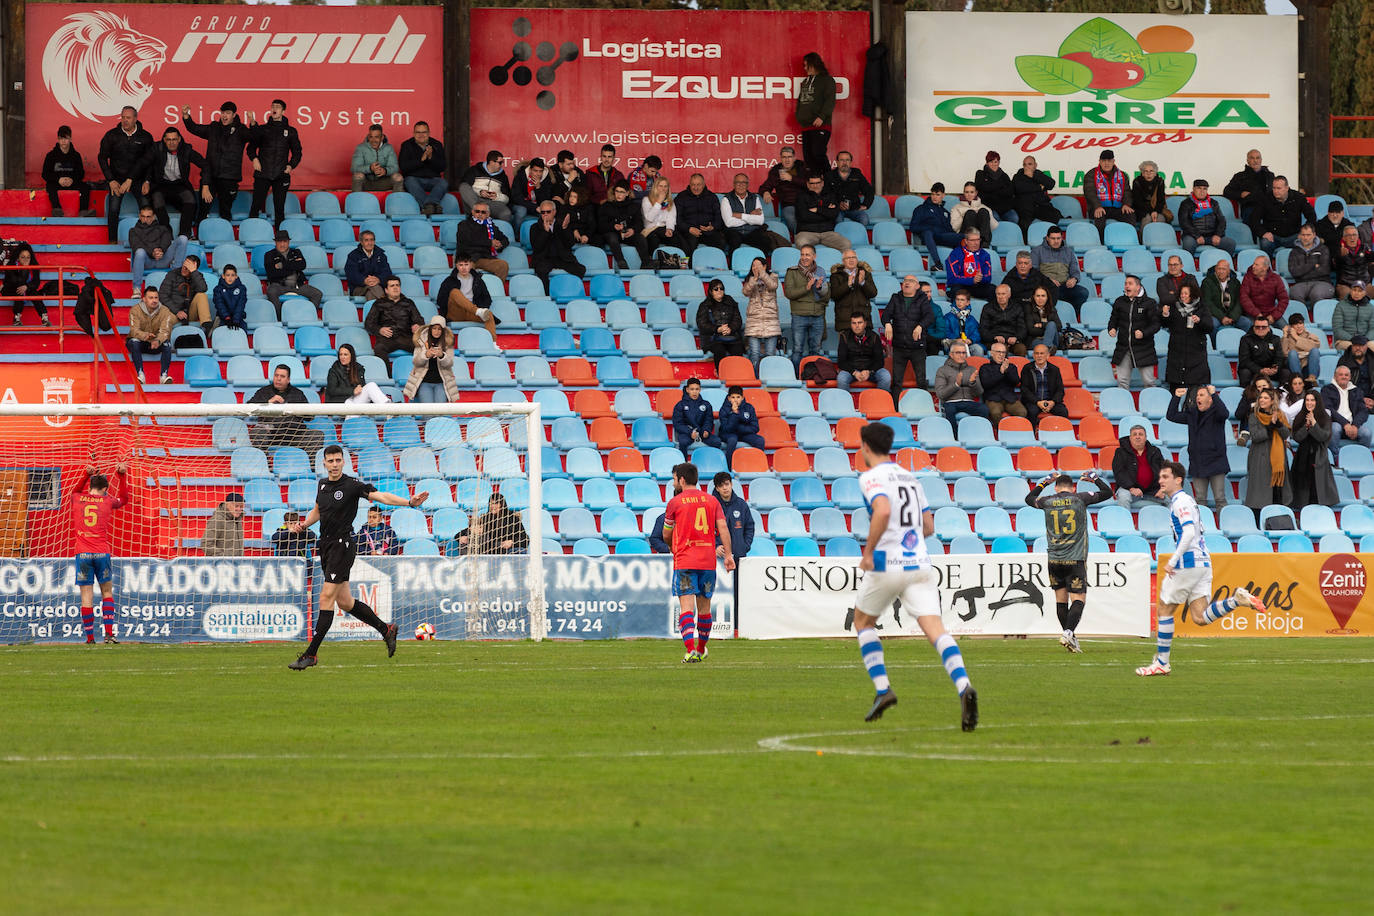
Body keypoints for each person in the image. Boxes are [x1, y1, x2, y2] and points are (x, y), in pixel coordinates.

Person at [851, 422, 977, 728]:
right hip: (919, 561)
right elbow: (929, 527)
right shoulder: (911, 478)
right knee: (935, 629)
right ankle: (964, 686)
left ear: (866, 448)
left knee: (863, 622)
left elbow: (881, 511)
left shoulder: (870, 478)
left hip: (887, 562)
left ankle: (883, 689)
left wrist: (868, 552)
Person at [287, 445, 428, 670]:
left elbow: (380, 496)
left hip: (342, 546)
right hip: (325, 546)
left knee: (325, 598)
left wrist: (409, 503)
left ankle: (310, 654)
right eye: (330, 461)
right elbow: (318, 510)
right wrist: (303, 524)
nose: (334, 464)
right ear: (324, 463)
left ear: (344, 462)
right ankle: (386, 629)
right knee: (344, 601)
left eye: (337, 460)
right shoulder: (322, 485)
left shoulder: (352, 485)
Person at [1135, 462, 1266, 677]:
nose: (1161, 480)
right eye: (1160, 477)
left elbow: (1187, 533)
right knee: (1200, 617)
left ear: (1178, 480)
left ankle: (1161, 662)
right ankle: (1236, 600)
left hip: (1188, 562)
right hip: (1203, 562)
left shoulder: (1181, 502)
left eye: (1165, 476)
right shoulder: (1187, 501)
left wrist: (1173, 560)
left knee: (1164, 610)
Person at [1025, 472, 1114, 653]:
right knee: (1078, 599)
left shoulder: (1047, 501)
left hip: (1054, 559)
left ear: (1056, 487)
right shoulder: (1080, 498)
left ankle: (1070, 636)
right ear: (1073, 487)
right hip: (1075, 557)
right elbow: (1107, 492)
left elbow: (1029, 498)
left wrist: (1044, 482)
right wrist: (1094, 477)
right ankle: (1068, 632)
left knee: (1060, 600)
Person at [661, 462, 735, 663]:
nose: (675, 482)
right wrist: (728, 556)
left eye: (676, 479)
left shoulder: (675, 502)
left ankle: (690, 649)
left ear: (682, 480)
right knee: (704, 608)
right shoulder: (712, 501)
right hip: (707, 561)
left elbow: (666, 533)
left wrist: (670, 544)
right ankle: (701, 649)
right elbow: (724, 529)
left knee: (686, 607)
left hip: (685, 560)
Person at [70, 462, 128, 644]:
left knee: (87, 596)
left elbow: (74, 491)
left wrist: (85, 475)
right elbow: (124, 499)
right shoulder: (108, 501)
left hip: (83, 554)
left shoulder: (78, 499)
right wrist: (122, 476)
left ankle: (90, 639)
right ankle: (109, 635)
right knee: (107, 592)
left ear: (90, 487)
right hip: (102, 553)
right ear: (104, 488)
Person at [182, 101, 251, 221]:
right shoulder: (213, 128)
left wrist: (253, 123)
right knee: (203, 210)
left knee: (225, 212)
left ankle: (225, 238)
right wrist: (186, 116)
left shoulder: (241, 130)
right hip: (211, 178)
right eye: (223, 112)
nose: (224, 116)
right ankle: (200, 237)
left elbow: (255, 137)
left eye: (228, 113)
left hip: (229, 179)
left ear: (234, 115)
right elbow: (194, 128)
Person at [1167, 385, 1230, 510]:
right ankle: (1201, 527)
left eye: (1201, 395)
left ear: (1210, 399)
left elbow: (1225, 413)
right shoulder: (1192, 414)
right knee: (1200, 499)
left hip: (1216, 461)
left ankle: (1223, 524)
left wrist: (1214, 394)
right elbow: (1171, 416)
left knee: (1220, 498)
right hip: (1198, 462)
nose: (1197, 398)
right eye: (1197, 396)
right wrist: (1176, 397)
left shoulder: (1217, 413)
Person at [98, 106, 154, 243]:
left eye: (128, 118)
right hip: (117, 180)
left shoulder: (146, 137)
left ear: (135, 119)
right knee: (113, 208)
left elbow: (150, 162)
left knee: (146, 207)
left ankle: (148, 240)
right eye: (123, 117)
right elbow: (102, 158)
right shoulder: (111, 135)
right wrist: (110, 180)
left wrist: (147, 181)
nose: (125, 121)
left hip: (138, 179)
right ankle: (112, 241)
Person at [246, 99, 302, 229]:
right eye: (272, 106)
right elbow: (251, 147)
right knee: (256, 205)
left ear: (283, 111)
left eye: (277, 107)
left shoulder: (291, 131)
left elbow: (297, 152)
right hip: (263, 173)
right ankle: (251, 231)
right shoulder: (263, 129)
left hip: (281, 174)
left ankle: (279, 236)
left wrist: (291, 165)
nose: (274, 109)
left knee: (279, 207)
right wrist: (254, 159)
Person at [140, 127, 206, 237]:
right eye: (169, 140)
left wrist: (206, 184)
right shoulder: (157, 148)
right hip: (161, 185)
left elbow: (205, 164)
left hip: (179, 185)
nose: (171, 143)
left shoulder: (186, 149)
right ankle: (166, 233)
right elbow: (145, 164)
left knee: (190, 200)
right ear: (164, 140)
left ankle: (184, 234)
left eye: (174, 139)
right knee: (157, 201)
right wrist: (146, 181)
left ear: (179, 139)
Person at [881, 274, 940, 396]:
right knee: (896, 382)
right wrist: (887, 323)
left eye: (911, 281)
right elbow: (886, 314)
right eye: (905, 281)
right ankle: (895, 408)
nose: (906, 283)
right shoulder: (895, 298)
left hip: (917, 346)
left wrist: (920, 326)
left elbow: (929, 316)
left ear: (917, 286)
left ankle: (924, 406)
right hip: (899, 346)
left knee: (921, 381)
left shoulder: (922, 299)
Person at [247, 365, 326, 455]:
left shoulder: (297, 393)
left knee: (317, 435)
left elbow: (310, 417)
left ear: (288, 379)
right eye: (276, 375)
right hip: (270, 435)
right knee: (257, 433)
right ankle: (265, 466)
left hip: (295, 435)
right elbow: (249, 408)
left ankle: (311, 468)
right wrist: (268, 402)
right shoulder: (264, 391)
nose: (278, 379)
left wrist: (293, 409)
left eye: (282, 376)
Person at [1107, 275, 1160, 388]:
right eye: (1126, 283)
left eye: (1130, 283)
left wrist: (1143, 333)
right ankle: (1122, 405)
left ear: (1138, 286)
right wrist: (1111, 328)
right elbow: (1113, 318)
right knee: (1122, 382)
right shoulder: (1119, 301)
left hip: (1144, 348)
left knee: (1149, 382)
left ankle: (1151, 405)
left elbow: (1156, 325)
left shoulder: (1149, 303)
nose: (1127, 286)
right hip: (1123, 348)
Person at [712, 472, 753, 616]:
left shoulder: (741, 504)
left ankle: (737, 625)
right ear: (716, 488)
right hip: (716, 559)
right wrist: (714, 547)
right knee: (717, 592)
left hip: (738, 557)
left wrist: (744, 545)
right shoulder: (710, 505)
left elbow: (750, 527)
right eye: (721, 486)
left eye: (727, 484)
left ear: (731, 484)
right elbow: (705, 530)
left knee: (738, 591)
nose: (725, 488)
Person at [1290, 392, 1338, 512]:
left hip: (1318, 457)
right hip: (1302, 458)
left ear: (1317, 402)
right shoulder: (1300, 416)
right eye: (1307, 400)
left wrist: (1314, 424)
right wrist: (1306, 427)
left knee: (1317, 491)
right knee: (1302, 493)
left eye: (1312, 400)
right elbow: (1297, 437)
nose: (1309, 403)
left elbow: (1323, 436)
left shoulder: (1325, 418)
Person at [128, 205, 188, 300]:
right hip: (147, 261)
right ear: (139, 216)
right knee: (139, 252)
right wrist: (152, 252)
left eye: (148, 217)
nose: (145, 219)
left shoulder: (162, 229)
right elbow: (136, 245)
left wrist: (161, 250)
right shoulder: (133, 231)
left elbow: (167, 241)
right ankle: (137, 289)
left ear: (153, 217)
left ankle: (176, 276)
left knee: (183, 239)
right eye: (143, 216)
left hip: (163, 259)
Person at [784, 245, 829, 370]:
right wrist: (807, 288)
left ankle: (813, 376)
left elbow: (826, 295)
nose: (804, 257)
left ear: (814, 256)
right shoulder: (792, 272)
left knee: (816, 349)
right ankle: (796, 378)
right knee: (797, 349)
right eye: (802, 254)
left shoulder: (820, 271)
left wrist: (820, 288)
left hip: (817, 315)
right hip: (799, 315)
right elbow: (789, 293)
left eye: (807, 255)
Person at [433, 254, 498, 341]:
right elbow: (440, 300)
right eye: (461, 265)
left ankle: (493, 343)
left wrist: (480, 307)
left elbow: (487, 299)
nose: (464, 268)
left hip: (472, 313)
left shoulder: (478, 280)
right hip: (456, 312)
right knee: (454, 292)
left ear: (471, 265)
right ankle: (478, 311)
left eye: (466, 264)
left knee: (488, 314)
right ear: (456, 266)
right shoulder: (449, 281)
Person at [1161, 280, 1212, 390]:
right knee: (1176, 388)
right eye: (1181, 293)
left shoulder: (1202, 307)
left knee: (1195, 390)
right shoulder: (1174, 307)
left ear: (1192, 295)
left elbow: (1209, 327)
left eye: (1186, 293)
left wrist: (1199, 321)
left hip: (1196, 353)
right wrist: (1165, 314)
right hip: (1177, 351)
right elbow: (1165, 324)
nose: (1182, 296)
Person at [1245, 388, 1291, 511]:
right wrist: (1270, 426)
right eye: (1260, 397)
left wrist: (1278, 424)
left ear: (1272, 401)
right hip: (1260, 457)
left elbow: (1286, 433)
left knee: (1277, 491)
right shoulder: (1254, 416)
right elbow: (1256, 436)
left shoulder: (1280, 414)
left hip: (1277, 458)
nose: (1262, 400)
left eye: (1266, 398)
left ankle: (1277, 518)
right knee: (1260, 493)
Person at [722, 174, 789, 256]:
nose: (741, 185)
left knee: (764, 241)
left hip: (752, 231)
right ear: (734, 184)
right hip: (734, 231)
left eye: (744, 183)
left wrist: (741, 216)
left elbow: (760, 221)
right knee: (734, 241)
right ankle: (732, 266)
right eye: (738, 182)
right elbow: (729, 223)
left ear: (747, 185)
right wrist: (750, 216)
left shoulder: (754, 198)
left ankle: (762, 266)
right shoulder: (726, 199)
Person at [1250, 175, 1316, 256]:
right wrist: (1263, 233)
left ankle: (1303, 266)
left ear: (1287, 188)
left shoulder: (1299, 198)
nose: (1276, 191)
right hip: (1273, 236)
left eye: (1279, 188)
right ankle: (1268, 266)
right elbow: (1254, 219)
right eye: (1274, 188)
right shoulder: (1265, 199)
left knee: (1307, 241)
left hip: (1294, 235)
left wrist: (1304, 232)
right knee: (1265, 243)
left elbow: (1312, 216)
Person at [530, 200, 585, 292]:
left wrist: (565, 229)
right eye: (543, 212)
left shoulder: (562, 224)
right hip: (544, 258)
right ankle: (547, 295)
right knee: (541, 270)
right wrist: (545, 232)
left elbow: (570, 243)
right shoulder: (534, 227)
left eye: (548, 212)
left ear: (554, 212)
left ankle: (570, 291)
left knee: (580, 269)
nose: (545, 214)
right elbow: (536, 248)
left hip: (562, 257)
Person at [795, 52, 836, 175]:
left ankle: (830, 182)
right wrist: (799, 116)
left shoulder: (827, 80)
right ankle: (815, 184)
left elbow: (830, 100)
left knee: (818, 153)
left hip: (821, 125)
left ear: (813, 65)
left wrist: (821, 117)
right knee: (809, 158)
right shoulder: (805, 82)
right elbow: (800, 100)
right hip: (806, 126)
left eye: (806, 65)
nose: (804, 68)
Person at [264, 230, 323, 316]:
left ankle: (308, 316)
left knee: (317, 294)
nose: (282, 244)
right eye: (280, 241)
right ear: (275, 242)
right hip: (279, 285)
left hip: (298, 285)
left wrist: (282, 265)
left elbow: (302, 265)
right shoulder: (269, 255)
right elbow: (272, 273)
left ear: (289, 242)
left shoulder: (296, 252)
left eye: (285, 241)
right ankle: (280, 318)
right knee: (271, 292)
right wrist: (293, 267)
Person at [1030, 225, 1089, 310]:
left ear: (1062, 238)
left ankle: (1072, 316)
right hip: (1045, 287)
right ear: (1047, 238)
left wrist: (1074, 279)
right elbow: (1033, 272)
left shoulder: (1068, 252)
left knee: (1083, 292)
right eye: (1053, 238)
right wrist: (1048, 280)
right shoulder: (1037, 251)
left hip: (1064, 287)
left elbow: (1075, 271)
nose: (1056, 241)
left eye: (1058, 238)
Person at [365, 277, 424, 360]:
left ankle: (420, 373)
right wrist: (379, 330)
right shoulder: (379, 303)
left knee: (424, 348)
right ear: (386, 290)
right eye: (392, 286)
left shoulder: (408, 303)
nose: (395, 288)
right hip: (387, 338)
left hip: (406, 337)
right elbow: (369, 323)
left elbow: (419, 319)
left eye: (397, 285)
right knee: (379, 348)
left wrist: (417, 325)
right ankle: (386, 373)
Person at [125, 287, 175, 384]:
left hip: (156, 343)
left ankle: (163, 376)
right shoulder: (135, 310)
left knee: (167, 344)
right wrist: (145, 336)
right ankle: (140, 375)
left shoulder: (165, 311)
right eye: (151, 298)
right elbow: (134, 330)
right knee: (134, 341)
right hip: (140, 342)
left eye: (156, 298)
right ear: (144, 299)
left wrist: (158, 340)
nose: (154, 300)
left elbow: (166, 331)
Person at [404, 316, 459, 403]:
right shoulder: (421, 340)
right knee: (427, 413)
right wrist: (425, 355)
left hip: (442, 382)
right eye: (434, 328)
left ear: (443, 330)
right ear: (430, 329)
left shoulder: (448, 342)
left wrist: (442, 356)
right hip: (424, 381)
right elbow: (416, 362)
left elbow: (449, 364)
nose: (436, 331)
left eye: (439, 329)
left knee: (440, 412)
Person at [42, 125, 94, 217]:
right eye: (61, 138)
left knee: (85, 187)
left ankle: (83, 211)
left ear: (70, 139)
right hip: (57, 183)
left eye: (66, 138)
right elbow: (45, 174)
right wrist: (58, 179)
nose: (63, 141)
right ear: (58, 139)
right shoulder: (51, 155)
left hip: (72, 183)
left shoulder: (76, 155)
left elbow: (81, 174)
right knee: (50, 186)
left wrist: (72, 180)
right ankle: (57, 209)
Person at [397, 121, 447, 215]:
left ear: (428, 133)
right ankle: (432, 206)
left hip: (433, 180)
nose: (421, 135)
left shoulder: (437, 144)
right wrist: (421, 160)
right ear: (413, 133)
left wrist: (431, 158)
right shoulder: (406, 145)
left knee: (443, 182)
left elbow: (442, 167)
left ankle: (427, 206)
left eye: (424, 132)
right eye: (418, 132)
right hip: (414, 179)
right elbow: (403, 167)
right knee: (409, 181)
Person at [1111, 424, 1165, 511]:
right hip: (1129, 489)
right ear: (1130, 438)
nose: (1137, 437)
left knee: (1172, 496)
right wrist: (1131, 488)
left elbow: (1164, 470)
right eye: (1134, 434)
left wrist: (1163, 488)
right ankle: (1125, 524)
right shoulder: (1120, 452)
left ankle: (1173, 523)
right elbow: (1119, 473)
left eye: (1140, 434)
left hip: (1152, 489)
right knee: (1124, 497)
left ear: (1146, 437)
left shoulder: (1155, 451)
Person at [1177, 178, 1236, 256]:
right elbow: (1184, 222)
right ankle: (1188, 266)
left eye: (1205, 189)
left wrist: (1218, 235)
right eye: (1199, 188)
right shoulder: (1186, 203)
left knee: (1230, 243)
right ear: (1193, 189)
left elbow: (1222, 220)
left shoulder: (1213, 203)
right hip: (1193, 236)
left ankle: (1222, 265)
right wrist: (1197, 236)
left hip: (1212, 236)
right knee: (1188, 244)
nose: (1202, 191)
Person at [674, 174, 728, 257]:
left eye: (698, 184)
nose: (696, 188)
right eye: (693, 185)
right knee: (689, 244)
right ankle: (690, 268)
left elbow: (719, 218)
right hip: (689, 231)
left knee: (720, 241)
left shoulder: (712, 197)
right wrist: (689, 228)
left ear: (703, 185)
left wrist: (712, 227)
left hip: (708, 231)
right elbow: (677, 219)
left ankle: (714, 266)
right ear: (689, 184)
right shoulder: (681, 197)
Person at [1321, 364, 1371, 454]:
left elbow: (1363, 411)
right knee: (1335, 428)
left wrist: (1355, 425)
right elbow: (1328, 409)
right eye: (1341, 375)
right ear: (1335, 376)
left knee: (1367, 433)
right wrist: (1345, 424)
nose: (1344, 377)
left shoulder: (1356, 391)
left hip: (1353, 425)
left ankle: (1359, 457)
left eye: (1346, 375)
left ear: (1350, 377)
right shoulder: (1327, 389)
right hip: (1336, 423)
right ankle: (1335, 459)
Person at [454, 201, 511, 281]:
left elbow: (505, 239)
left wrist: (500, 244)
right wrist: (489, 242)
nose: (480, 214)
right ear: (472, 212)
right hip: (467, 258)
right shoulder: (464, 224)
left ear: (488, 214)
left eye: (483, 212)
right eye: (477, 211)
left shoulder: (490, 226)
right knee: (466, 268)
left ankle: (496, 289)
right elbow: (468, 240)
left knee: (503, 265)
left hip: (485, 258)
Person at [1082, 149, 1135, 233]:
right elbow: (1089, 192)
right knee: (1099, 218)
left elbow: (1127, 192)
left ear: (1113, 161)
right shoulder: (1091, 174)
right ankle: (1101, 243)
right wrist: (1097, 206)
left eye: (1109, 160)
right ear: (1099, 161)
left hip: (1117, 208)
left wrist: (1126, 204)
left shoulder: (1122, 175)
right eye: (1103, 160)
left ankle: (1129, 242)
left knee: (1130, 215)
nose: (1106, 163)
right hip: (1098, 207)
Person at [934, 341, 987, 425]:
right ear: (951, 354)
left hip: (968, 401)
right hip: (950, 402)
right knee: (949, 410)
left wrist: (972, 383)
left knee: (984, 409)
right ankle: (953, 436)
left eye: (963, 353)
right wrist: (956, 385)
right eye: (958, 353)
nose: (961, 355)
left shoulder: (971, 369)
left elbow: (979, 393)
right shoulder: (942, 370)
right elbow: (941, 394)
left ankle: (977, 434)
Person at [695, 279, 745, 368]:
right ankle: (720, 372)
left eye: (721, 288)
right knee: (719, 350)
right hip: (713, 338)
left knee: (738, 350)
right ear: (710, 291)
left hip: (731, 336)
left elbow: (737, 320)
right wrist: (717, 329)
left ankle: (737, 373)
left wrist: (730, 329)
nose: (719, 291)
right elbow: (702, 324)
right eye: (716, 289)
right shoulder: (705, 305)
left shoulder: (730, 302)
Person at [742, 257, 781, 369]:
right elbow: (745, 292)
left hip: (770, 320)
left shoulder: (773, 276)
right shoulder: (750, 279)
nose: (755, 267)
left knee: (770, 354)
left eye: (758, 265)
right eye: (753, 265)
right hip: (754, 320)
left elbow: (773, 286)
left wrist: (762, 274)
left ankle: (768, 376)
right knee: (754, 354)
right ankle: (754, 378)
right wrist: (754, 278)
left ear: (764, 266)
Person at [760, 146, 809, 236]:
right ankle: (800, 236)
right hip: (788, 203)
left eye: (789, 157)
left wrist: (792, 178)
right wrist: (765, 192)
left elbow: (811, 185)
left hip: (805, 201)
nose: (787, 160)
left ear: (794, 158)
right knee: (790, 218)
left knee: (812, 216)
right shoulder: (776, 170)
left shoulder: (802, 167)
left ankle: (810, 235)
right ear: (781, 158)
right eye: (784, 157)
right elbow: (764, 186)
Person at [837, 312, 891, 393]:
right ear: (851, 324)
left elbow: (880, 361)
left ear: (865, 324)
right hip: (851, 371)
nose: (857, 326)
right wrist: (854, 372)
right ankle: (845, 404)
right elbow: (841, 361)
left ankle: (879, 402)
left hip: (871, 370)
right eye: (854, 323)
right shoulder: (844, 336)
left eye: (860, 323)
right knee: (841, 378)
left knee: (885, 376)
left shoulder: (874, 337)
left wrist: (869, 371)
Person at [459, 493, 529, 555]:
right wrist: (461, 537)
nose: (493, 506)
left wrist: (512, 542)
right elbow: (466, 531)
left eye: (496, 503)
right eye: (491, 503)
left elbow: (525, 539)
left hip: (509, 550)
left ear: (502, 504)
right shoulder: (485, 518)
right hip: (490, 552)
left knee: (519, 551)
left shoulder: (512, 518)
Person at [600, 180, 648, 268]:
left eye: (622, 192)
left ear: (627, 193)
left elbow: (640, 223)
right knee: (612, 237)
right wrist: (613, 226)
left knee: (640, 238)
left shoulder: (634, 206)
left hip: (628, 234)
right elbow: (601, 225)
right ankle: (621, 262)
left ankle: (646, 263)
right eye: (617, 191)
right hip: (613, 233)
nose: (619, 194)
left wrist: (632, 230)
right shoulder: (606, 206)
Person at [794, 174, 848, 252]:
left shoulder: (830, 195)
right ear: (808, 184)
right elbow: (804, 216)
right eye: (812, 183)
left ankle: (837, 264)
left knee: (846, 244)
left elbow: (834, 214)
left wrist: (818, 210)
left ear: (822, 183)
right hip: (807, 232)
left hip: (828, 232)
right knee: (801, 243)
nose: (815, 186)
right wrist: (826, 212)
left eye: (818, 183)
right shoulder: (801, 196)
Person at [2, 244, 51, 328]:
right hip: (11, 288)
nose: (26, 260)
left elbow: (36, 283)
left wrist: (27, 286)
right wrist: (24, 270)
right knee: (19, 291)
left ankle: (44, 317)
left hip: (27, 289)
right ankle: (16, 318)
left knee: (34, 293)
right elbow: (14, 281)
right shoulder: (12, 266)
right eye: (23, 257)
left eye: (28, 257)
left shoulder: (34, 266)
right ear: (18, 258)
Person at [158, 254, 212, 330]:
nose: (184, 269)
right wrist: (177, 311)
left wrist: (194, 273)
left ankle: (207, 326)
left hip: (190, 312)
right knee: (167, 320)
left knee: (201, 295)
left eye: (187, 268)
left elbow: (203, 288)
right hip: (174, 312)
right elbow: (162, 295)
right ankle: (165, 340)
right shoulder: (172, 274)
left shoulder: (197, 275)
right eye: (184, 266)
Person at [1201, 257, 1247, 345]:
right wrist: (1222, 317)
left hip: (1232, 315)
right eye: (1219, 269)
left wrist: (1233, 317)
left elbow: (1240, 301)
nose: (1221, 271)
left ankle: (1244, 346)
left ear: (1228, 271)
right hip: (1215, 315)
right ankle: (1215, 347)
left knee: (1246, 323)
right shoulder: (1207, 282)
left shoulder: (1235, 282)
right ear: (1215, 269)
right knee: (1212, 324)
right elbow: (1207, 302)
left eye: (1224, 269)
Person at [908, 183, 962, 258]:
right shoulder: (921, 209)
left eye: (937, 195)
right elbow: (913, 227)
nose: (934, 197)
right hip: (929, 237)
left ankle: (964, 265)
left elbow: (949, 229)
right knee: (928, 232)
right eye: (933, 194)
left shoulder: (945, 212)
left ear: (943, 195)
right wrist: (930, 228)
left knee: (966, 238)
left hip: (942, 237)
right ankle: (937, 264)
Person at [830, 249, 878, 332]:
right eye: (848, 258)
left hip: (863, 321)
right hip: (845, 323)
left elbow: (873, 293)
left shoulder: (865, 273)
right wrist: (847, 285)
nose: (851, 260)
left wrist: (863, 282)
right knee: (845, 345)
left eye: (854, 257)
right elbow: (833, 295)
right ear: (843, 261)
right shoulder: (836, 276)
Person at [457, 150, 513, 222]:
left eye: (502, 162)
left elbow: (507, 198)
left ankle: (497, 231)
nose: (502, 165)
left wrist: (497, 196)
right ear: (491, 162)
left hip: (491, 203)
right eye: (500, 162)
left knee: (506, 213)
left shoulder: (503, 177)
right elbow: (465, 187)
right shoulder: (474, 170)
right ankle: (477, 210)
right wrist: (480, 192)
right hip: (474, 201)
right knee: (463, 186)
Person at [1020, 343, 1067, 427]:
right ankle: (1032, 436)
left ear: (1048, 355)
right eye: (1036, 353)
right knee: (1031, 411)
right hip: (1033, 401)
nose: (1039, 356)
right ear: (1033, 355)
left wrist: (1053, 402)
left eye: (1042, 353)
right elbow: (1024, 389)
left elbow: (1060, 390)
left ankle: (1060, 435)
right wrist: (1037, 402)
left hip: (1051, 401)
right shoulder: (1027, 368)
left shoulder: (1054, 369)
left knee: (1063, 411)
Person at [1287, 225, 1335, 306]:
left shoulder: (1323, 249)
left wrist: (1302, 269)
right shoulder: (1294, 252)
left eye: (1308, 235)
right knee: (1294, 293)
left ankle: (1317, 317)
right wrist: (1313, 264)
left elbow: (1324, 270)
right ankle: (1302, 317)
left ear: (1314, 235)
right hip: (1301, 283)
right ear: (1299, 236)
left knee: (1316, 294)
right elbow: (1294, 272)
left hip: (1322, 282)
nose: (1305, 238)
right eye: (1303, 235)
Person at [980, 342, 1025, 427]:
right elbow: (986, 384)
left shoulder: (1011, 367)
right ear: (992, 353)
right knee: (995, 413)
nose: (1001, 355)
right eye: (998, 352)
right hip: (993, 399)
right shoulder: (985, 367)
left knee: (1022, 412)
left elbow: (1016, 382)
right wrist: (1001, 372)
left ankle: (1014, 431)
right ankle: (1001, 433)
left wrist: (1006, 371)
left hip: (1010, 398)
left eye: (1003, 352)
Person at [944, 228, 996, 303]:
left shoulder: (985, 255)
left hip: (978, 286)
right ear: (966, 241)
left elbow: (988, 278)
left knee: (993, 289)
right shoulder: (955, 254)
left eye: (978, 239)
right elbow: (952, 279)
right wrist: (971, 280)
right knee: (956, 291)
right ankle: (957, 314)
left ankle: (991, 313)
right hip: (961, 286)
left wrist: (980, 278)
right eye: (972, 240)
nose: (976, 243)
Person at [1222, 149, 1274, 223]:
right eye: (1252, 158)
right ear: (1247, 161)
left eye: (1257, 158)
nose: (1255, 161)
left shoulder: (1270, 175)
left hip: (1267, 206)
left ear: (1261, 160)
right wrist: (1241, 194)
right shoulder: (1240, 176)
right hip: (1250, 207)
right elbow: (1226, 191)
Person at [825, 151, 874, 226]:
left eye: (847, 160)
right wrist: (837, 204)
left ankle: (858, 237)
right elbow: (826, 194)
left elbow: (869, 190)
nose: (844, 163)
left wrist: (866, 204)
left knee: (864, 220)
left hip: (854, 208)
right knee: (838, 223)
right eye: (842, 160)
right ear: (837, 162)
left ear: (851, 162)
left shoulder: (857, 174)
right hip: (837, 209)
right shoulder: (830, 175)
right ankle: (840, 238)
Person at [1238, 316, 1287, 389]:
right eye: (1257, 327)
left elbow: (1279, 357)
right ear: (1254, 327)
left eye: (1263, 327)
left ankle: (1281, 395)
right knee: (1245, 372)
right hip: (1253, 371)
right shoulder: (1245, 339)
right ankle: (1246, 395)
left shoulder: (1275, 339)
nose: (1260, 329)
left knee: (1285, 372)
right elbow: (1244, 360)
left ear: (1268, 328)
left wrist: (1275, 368)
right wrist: (1260, 370)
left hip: (1270, 370)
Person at [673, 378, 721, 452]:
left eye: (697, 389)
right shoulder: (680, 405)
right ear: (687, 390)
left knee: (717, 441)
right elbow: (678, 424)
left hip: (702, 432)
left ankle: (712, 461)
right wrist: (690, 432)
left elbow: (708, 420)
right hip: (687, 433)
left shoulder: (706, 404)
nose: (694, 392)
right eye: (692, 389)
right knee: (683, 442)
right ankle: (684, 463)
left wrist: (706, 430)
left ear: (700, 389)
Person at [717, 386, 764, 463]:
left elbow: (755, 427)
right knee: (732, 440)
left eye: (738, 397)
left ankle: (757, 463)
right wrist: (734, 414)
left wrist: (740, 428)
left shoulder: (749, 408)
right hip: (728, 434)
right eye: (733, 397)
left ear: (742, 398)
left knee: (760, 440)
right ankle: (729, 466)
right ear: (729, 398)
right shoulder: (724, 409)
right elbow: (726, 429)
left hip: (744, 433)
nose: (735, 400)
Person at [1240, 255, 1289, 327]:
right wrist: (1257, 314)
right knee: (1256, 332)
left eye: (1256, 265)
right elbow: (1244, 298)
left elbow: (1284, 299)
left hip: (1271, 313)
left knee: (1287, 331)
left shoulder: (1276, 278)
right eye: (1254, 264)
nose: (1253, 266)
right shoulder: (1247, 278)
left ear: (1265, 267)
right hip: (1252, 314)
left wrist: (1274, 316)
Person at [1012, 155, 1059, 228]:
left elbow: (1051, 184)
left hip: (1040, 206)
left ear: (1035, 165)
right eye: (1024, 164)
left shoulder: (1038, 174)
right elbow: (1019, 188)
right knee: (1024, 224)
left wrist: (1033, 176)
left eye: (1030, 164)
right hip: (1025, 208)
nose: (1027, 167)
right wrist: (1039, 187)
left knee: (1055, 215)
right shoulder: (1018, 176)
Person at [344, 230, 392, 301]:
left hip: (377, 286)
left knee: (370, 293)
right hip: (358, 288)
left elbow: (387, 272)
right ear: (361, 242)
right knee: (375, 287)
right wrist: (364, 280)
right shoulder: (353, 255)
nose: (369, 243)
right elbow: (351, 273)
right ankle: (386, 303)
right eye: (366, 240)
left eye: (372, 240)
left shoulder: (381, 255)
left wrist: (378, 279)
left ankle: (375, 312)